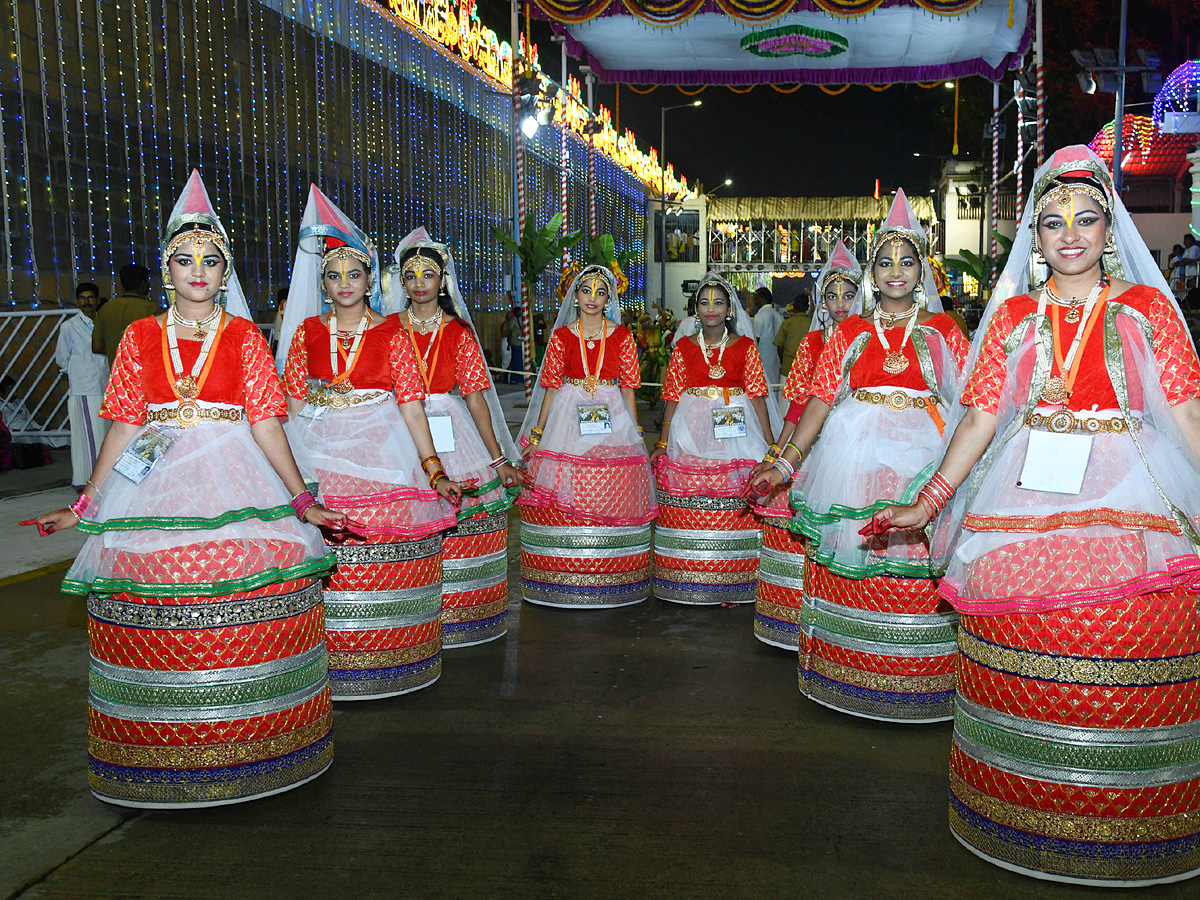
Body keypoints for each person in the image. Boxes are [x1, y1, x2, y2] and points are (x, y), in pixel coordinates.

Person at [871, 146, 1200, 885]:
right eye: (1053, 222)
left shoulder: (1147, 310)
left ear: (1111, 229)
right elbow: (980, 421)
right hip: (1025, 486)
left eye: (1087, 219)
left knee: (1141, 622)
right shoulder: (1015, 316)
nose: (1071, 234)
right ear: (1035, 235)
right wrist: (927, 503)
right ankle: (1017, 802)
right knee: (1015, 616)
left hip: (1132, 488)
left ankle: (1132, 816)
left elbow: (1185, 415)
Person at [25, 171, 343, 807]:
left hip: (235, 472)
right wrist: (87, 506)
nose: (197, 269)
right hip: (158, 472)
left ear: (225, 274)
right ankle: (165, 747)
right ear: (166, 272)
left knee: (251, 568)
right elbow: (122, 429)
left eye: (210, 260)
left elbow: (266, 426)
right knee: (151, 579)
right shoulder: (141, 337)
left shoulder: (246, 338)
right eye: (183, 259)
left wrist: (303, 500)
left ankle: (253, 735)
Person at [750, 189, 969, 723]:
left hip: (925, 454)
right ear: (872, 272)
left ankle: (919, 676)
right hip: (855, 462)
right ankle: (850, 670)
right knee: (855, 553)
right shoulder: (847, 332)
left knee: (918, 558)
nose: (896, 271)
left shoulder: (945, 332)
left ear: (923, 270)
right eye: (885, 262)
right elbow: (821, 402)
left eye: (907, 261)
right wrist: (785, 462)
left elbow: (970, 405)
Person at [278, 189, 463, 699]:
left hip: (381, 447)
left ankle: (389, 648)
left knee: (382, 541)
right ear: (323, 282)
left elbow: (410, 405)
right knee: (323, 540)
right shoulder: (307, 333)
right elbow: (293, 403)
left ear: (369, 280)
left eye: (353, 274)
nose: (343, 285)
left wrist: (433, 470)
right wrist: (286, 467)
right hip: (318, 445)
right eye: (333, 275)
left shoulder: (391, 335)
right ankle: (332, 656)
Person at [389, 228, 522, 646]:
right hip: (399, 425)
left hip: (452, 426)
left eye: (428, 274)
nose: (419, 283)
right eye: (410, 275)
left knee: (459, 517)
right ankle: (412, 610)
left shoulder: (459, 332)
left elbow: (478, 401)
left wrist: (498, 460)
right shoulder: (388, 328)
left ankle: (460, 610)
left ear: (442, 281)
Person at [517, 265, 657, 608]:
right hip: (568, 409)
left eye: (600, 292)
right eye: (586, 291)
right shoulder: (563, 336)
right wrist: (537, 432)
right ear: (574, 296)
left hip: (611, 409)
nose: (592, 298)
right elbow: (550, 387)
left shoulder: (622, 336)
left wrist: (636, 432)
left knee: (610, 480)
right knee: (568, 478)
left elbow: (628, 387)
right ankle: (570, 562)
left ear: (610, 299)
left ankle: (607, 564)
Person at [650, 273, 785, 606]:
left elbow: (756, 396)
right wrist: (664, 443)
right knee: (696, 493)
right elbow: (671, 395)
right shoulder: (683, 346)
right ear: (696, 309)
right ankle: (693, 569)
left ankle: (734, 574)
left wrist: (770, 443)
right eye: (704, 302)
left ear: (729, 310)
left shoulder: (744, 346)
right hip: (691, 425)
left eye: (719, 302)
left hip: (737, 426)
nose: (711, 309)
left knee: (733, 493)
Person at [753, 240, 862, 649]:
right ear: (820, 302)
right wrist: (778, 454)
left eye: (848, 295)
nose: (840, 304)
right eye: (831, 296)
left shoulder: (870, 338)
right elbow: (799, 407)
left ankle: (838, 626)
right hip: (809, 450)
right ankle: (794, 623)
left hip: (853, 450)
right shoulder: (813, 345)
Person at [55, 282, 110, 488]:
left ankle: (103, 481)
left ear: (97, 300)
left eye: (90, 298)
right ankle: (86, 482)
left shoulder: (103, 322)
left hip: (104, 386)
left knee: (104, 435)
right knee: (88, 437)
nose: (86, 302)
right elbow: (62, 359)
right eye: (82, 298)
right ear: (77, 301)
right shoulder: (69, 327)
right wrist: (80, 371)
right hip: (84, 389)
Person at [92, 264, 158, 365]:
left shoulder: (106, 309)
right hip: (143, 372)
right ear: (143, 285)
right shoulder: (151, 309)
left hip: (117, 374)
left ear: (122, 285)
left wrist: (117, 350)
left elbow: (97, 347)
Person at [752, 287, 784, 389]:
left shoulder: (760, 316)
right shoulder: (778, 316)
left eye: (756, 298)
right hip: (775, 359)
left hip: (762, 359)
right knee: (774, 387)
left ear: (763, 300)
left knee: (763, 388)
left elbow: (755, 339)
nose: (754, 301)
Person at [774, 293, 811, 377]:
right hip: (806, 369)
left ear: (794, 307)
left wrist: (783, 361)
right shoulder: (812, 324)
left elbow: (779, 346)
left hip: (788, 368)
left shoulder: (787, 323)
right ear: (807, 307)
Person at [506, 302, 524, 384]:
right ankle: (515, 379)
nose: (520, 313)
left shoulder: (518, 321)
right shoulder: (513, 321)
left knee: (519, 361)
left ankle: (519, 378)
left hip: (519, 343)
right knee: (516, 361)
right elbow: (510, 332)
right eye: (519, 312)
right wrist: (509, 342)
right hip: (514, 343)